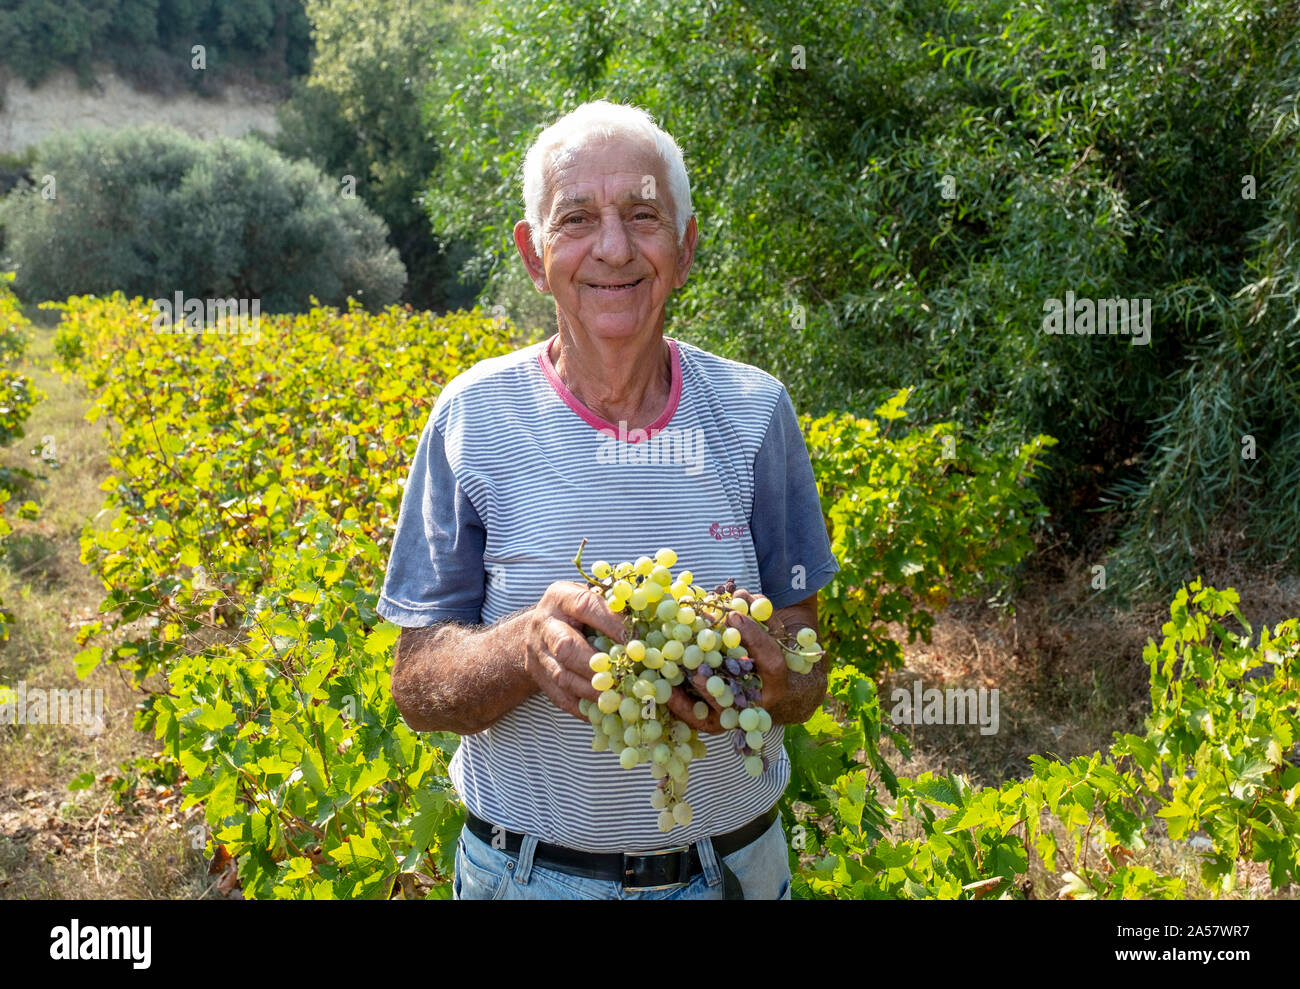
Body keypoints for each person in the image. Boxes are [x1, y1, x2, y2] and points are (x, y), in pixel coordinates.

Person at [377, 100, 838, 899]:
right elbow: (417, 686)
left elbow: (806, 653)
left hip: (734, 872)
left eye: (644, 216)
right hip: (528, 879)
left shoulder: (758, 411)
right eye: (578, 218)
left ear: (686, 248)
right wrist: (522, 647)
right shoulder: (470, 418)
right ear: (533, 253)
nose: (614, 248)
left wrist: (774, 681)